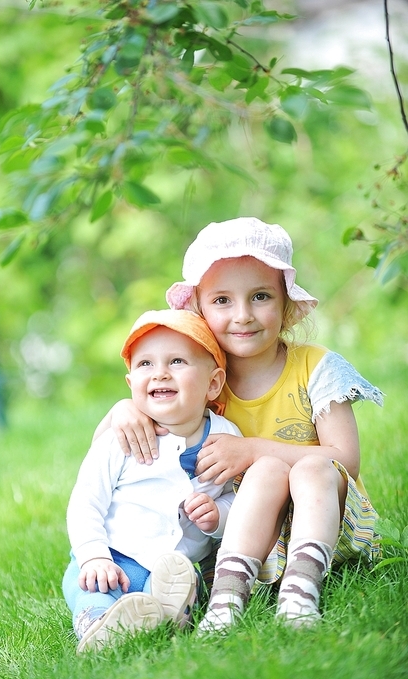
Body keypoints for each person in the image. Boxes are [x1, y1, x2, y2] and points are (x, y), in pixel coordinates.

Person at [101, 217, 384, 630]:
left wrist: (253, 449)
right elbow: (111, 443)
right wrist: (121, 411)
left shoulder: (316, 367)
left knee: (302, 465)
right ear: (199, 310)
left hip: (322, 519)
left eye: (261, 296)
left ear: (286, 304)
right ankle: (226, 598)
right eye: (222, 301)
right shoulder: (199, 380)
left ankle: (301, 589)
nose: (243, 315)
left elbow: (347, 460)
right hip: (239, 535)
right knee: (266, 472)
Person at [63, 308, 242, 651]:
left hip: (173, 569)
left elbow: (239, 498)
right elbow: (86, 500)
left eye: (177, 362)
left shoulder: (225, 436)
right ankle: (97, 625)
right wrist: (93, 556)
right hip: (114, 556)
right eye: (145, 364)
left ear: (213, 383)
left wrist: (218, 514)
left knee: (175, 586)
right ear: (131, 383)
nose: (160, 373)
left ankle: (161, 614)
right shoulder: (121, 438)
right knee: (92, 589)